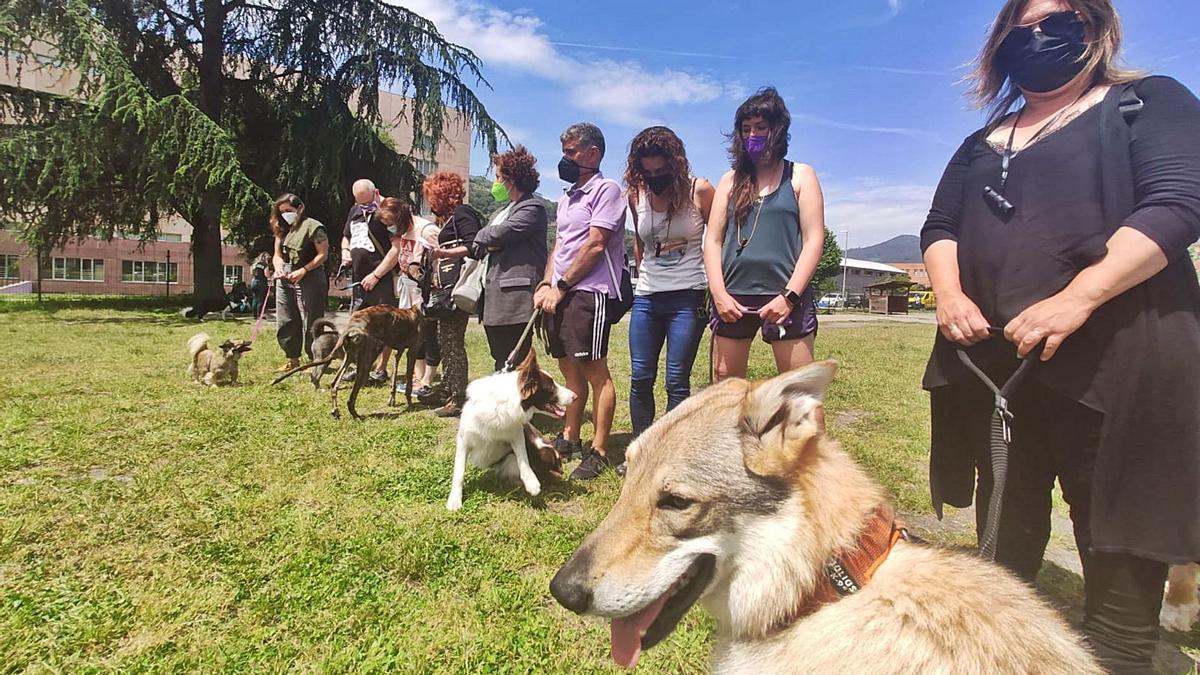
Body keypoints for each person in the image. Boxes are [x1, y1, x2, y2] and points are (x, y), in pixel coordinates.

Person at [920, 1, 1200, 670]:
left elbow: (1178, 202)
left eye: (1060, 18)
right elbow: (939, 229)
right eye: (1024, 25)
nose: (1040, 36)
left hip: (1119, 365)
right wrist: (950, 294)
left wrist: (1077, 299)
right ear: (1000, 45)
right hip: (1003, 373)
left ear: (1098, 27)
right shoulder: (983, 142)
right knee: (1003, 545)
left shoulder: (1145, 103)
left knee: (1118, 572)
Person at [703, 87, 826, 381]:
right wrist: (718, 295)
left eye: (761, 127)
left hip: (785, 297)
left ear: (777, 129)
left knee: (799, 393)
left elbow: (813, 240)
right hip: (733, 298)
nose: (753, 135)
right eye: (746, 129)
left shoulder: (801, 175)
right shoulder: (730, 180)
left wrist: (789, 297)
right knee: (725, 387)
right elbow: (713, 240)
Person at [534, 123, 625, 480]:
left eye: (571, 152)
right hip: (560, 292)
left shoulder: (607, 190)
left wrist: (563, 285)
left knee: (594, 371)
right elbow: (560, 245)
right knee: (568, 369)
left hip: (590, 292)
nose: (565, 159)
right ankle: (570, 436)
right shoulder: (568, 196)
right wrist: (545, 283)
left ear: (593, 154)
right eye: (565, 151)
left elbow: (595, 245)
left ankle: (599, 449)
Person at [621, 126, 714, 474]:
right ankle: (641, 455)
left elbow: (718, 238)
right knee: (640, 377)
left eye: (661, 171)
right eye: (648, 171)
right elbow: (640, 244)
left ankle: (673, 459)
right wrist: (643, 272)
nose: (654, 178)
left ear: (675, 164)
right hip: (647, 297)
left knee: (677, 381)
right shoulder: (636, 195)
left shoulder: (699, 190)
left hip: (687, 298)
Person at [471, 146, 549, 372]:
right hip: (493, 296)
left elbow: (495, 234)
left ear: (511, 179)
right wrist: (487, 240)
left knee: (515, 359)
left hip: (516, 297)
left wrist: (485, 237)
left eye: (498, 176)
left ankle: (520, 403)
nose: (495, 182)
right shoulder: (503, 211)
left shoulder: (532, 207)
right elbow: (478, 246)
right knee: (499, 356)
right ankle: (506, 404)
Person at [422, 171, 483, 417]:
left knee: (452, 341)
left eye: (430, 196)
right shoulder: (448, 219)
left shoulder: (462, 214)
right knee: (443, 338)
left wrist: (445, 253)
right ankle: (448, 388)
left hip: (457, 289)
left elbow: (474, 245)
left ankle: (458, 396)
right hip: (444, 288)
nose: (429, 202)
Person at [369, 197, 439, 384]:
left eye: (390, 223)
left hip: (425, 291)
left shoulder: (425, 229)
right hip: (407, 286)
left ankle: (427, 379)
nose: (389, 228)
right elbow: (398, 254)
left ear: (400, 218)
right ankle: (417, 376)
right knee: (413, 333)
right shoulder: (402, 232)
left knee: (427, 333)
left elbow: (438, 261)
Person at [340, 178, 397, 384]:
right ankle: (360, 365)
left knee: (383, 325)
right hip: (358, 279)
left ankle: (381, 369)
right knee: (358, 325)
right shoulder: (355, 211)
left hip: (380, 279)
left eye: (366, 202)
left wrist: (376, 275)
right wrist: (345, 252)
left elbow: (396, 249)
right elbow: (346, 236)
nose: (363, 206)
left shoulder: (388, 211)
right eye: (359, 202)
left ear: (376, 192)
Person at [270, 192, 329, 370]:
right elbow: (277, 255)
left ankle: (315, 359)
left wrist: (304, 270)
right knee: (286, 317)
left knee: (312, 319)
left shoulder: (313, 227)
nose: (285, 215)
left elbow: (322, 255)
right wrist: (278, 267)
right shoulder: (281, 227)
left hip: (310, 274)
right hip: (285, 276)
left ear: (299, 208)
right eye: (281, 212)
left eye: (289, 210)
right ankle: (292, 358)